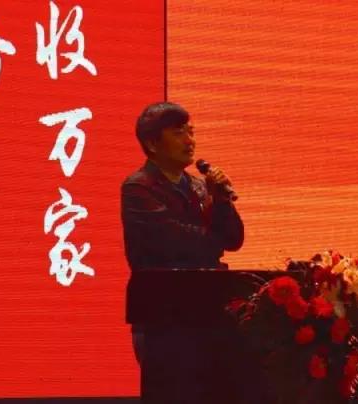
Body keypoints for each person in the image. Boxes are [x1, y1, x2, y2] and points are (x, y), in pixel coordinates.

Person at [121, 102, 245, 403]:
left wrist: (221, 201)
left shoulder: (200, 187)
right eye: (179, 133)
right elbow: (174, 241)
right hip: (163, 317)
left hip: (207, 312)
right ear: (152, 144)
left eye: (191, 132)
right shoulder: (139, 187)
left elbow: (233, 239)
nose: (190, 141)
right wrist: (213, 237)